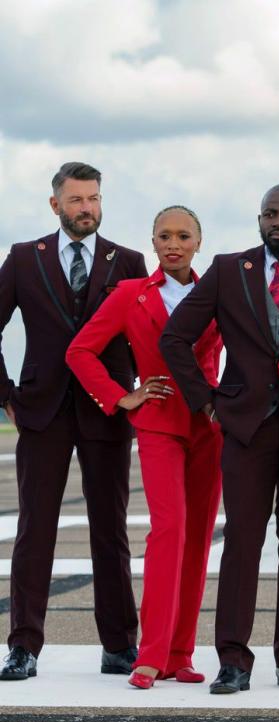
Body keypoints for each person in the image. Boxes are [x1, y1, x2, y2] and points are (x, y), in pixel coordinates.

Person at [160, 183, 279, 694]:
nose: (278, 221)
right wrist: (206, 400)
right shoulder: (227, 270)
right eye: (270, 213)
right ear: (259, 220)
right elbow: (174, 337)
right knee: (242, 543)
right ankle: (233, 661)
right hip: (244, 427)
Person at [66, 206, 224, 689]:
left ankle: (180, 653)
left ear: (199, 242)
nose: (173, 243)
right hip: (157, 423)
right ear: (152, 243)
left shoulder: (218, 293)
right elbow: (80, 351)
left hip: (209, 426)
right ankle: (151, 654)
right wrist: (121, 396)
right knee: (169, 530)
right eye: (163, 236)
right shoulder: (131, 294)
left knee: (198, 538)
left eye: (183, 235)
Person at [0, 163, 146, 682]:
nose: (87, 207)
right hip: (41, 410)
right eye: (77, 199)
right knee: (34, 530)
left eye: (94, 198)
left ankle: (119, 645)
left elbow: (145, 335)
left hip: (107, 409)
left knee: (111, 531)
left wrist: (138, 397)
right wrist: (7, 397)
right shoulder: (23, 259)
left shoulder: (128, 261)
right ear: (55, 204)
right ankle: (23, 647)